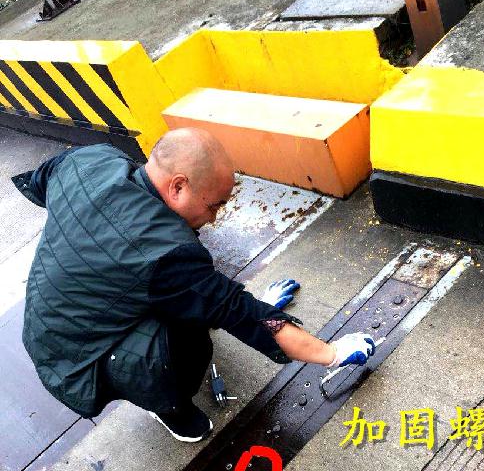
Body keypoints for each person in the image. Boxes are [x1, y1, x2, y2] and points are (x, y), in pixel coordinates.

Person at [13, 128, 376, 442]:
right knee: (188, 339)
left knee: (189, 298)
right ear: (178, 186)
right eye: (215, 205)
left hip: (52, 315)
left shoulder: (89, 160)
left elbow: (42, 181)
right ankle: (169, 408)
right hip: (75, 358)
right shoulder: (162, 253)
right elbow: (241, 313)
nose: (215, 218)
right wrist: (332, 353)